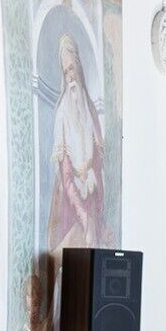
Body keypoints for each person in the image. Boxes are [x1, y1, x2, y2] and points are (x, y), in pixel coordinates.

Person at [46, 34, 107, 250]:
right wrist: (83, 215)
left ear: (79, 67)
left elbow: (99, 158)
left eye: (71, 68)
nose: (70, 77)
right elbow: (66, 176)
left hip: (92, 198)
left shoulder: (89, 107)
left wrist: (93, 176)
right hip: (72, 208)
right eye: (65, 72)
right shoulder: (62, 112)